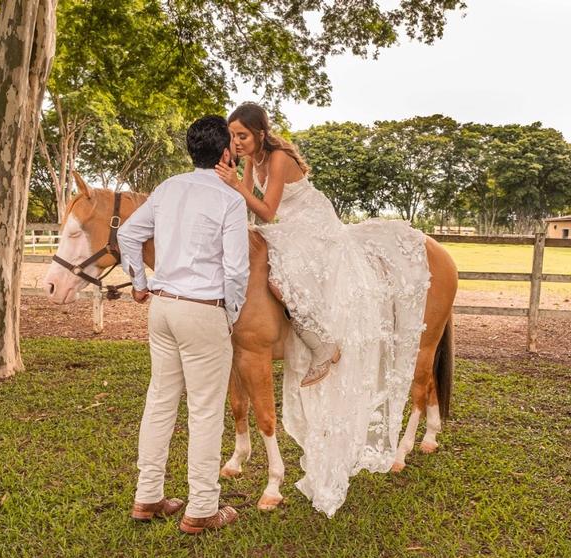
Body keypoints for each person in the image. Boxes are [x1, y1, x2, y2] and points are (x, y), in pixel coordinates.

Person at [215, 102, 431, 517]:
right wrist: (232, 181)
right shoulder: (250, 161)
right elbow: (247, 208)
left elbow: (268, 209)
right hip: (284, 229)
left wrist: (237, 185)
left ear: (260, 133)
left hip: (313, 228)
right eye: (233, 136)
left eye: (242, 135)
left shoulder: (276, 158)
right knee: (263, 265)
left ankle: (322, 342)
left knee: (281, 276)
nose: (237, 142)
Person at [118, 115, 249, 534]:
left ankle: (148, 496)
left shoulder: (167, 188)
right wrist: (229, 313)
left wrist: (139, 282)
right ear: (225, 151)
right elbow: (236, 269)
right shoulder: (230, 199)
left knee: (160, 400)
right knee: (205, 410)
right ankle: (203, 508)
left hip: (163, 307)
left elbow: (128, 235)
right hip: (203, 309)